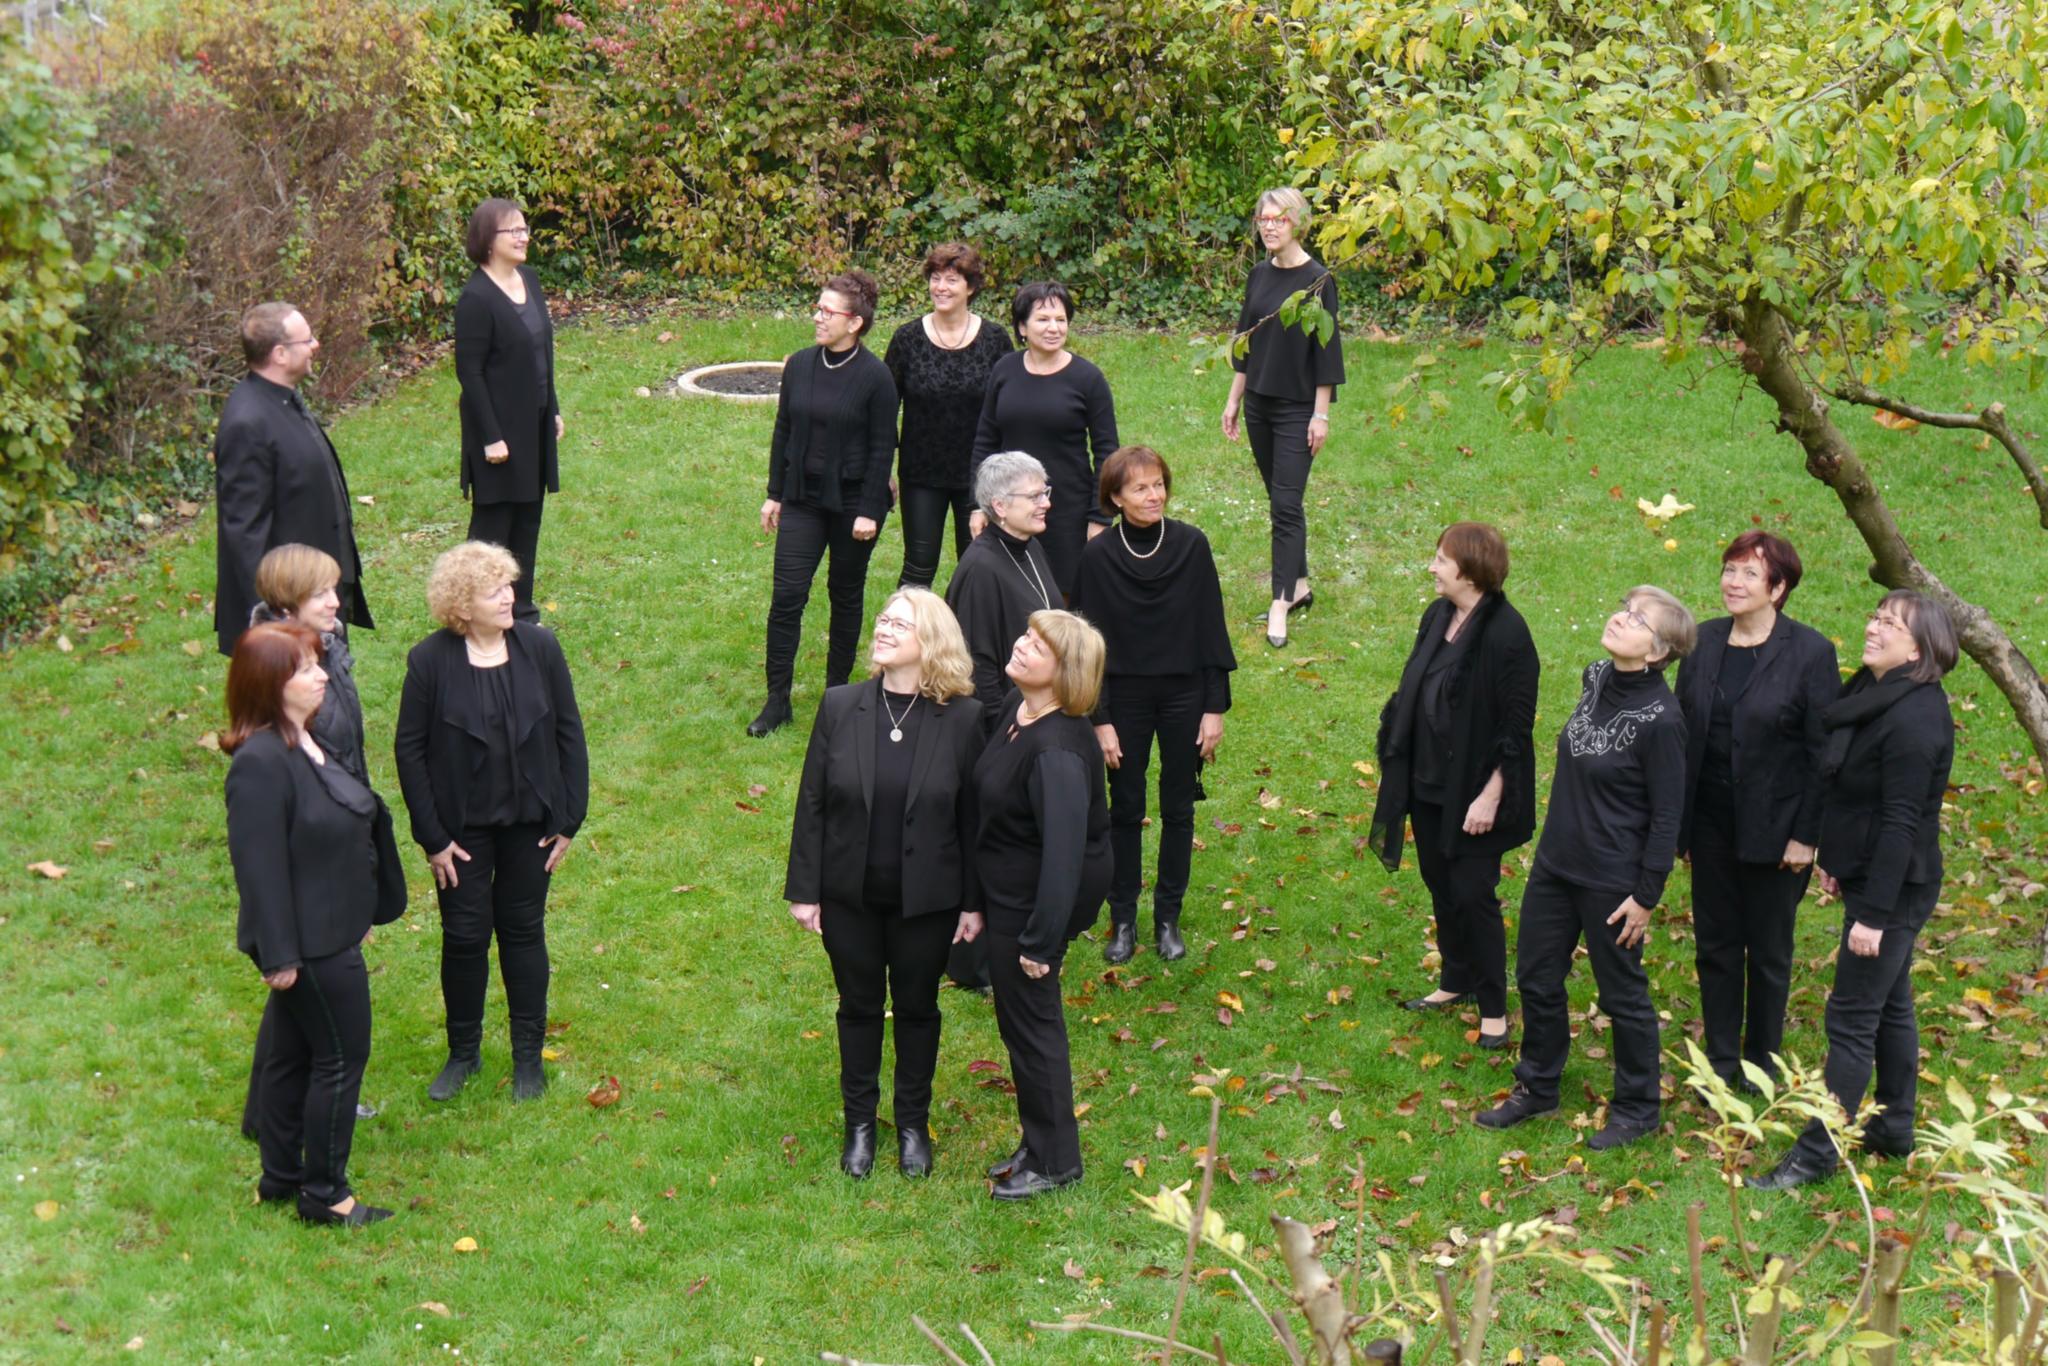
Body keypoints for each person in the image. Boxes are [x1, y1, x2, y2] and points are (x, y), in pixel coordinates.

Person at [1749, 591, 1958, 1190]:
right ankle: (1893, 1126)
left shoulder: (1916, 719)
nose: (1873, 627)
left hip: (1893, 889)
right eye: (1874, 616)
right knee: (1889, 1004)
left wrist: (1872, 915)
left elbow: (1899, 821)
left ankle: (1817, 1154)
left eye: (1889, 624)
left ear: (1919, 648)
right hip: (1873, 876)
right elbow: (1848, 787)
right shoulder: (1871, 693)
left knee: (1851, 1017)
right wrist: (1837, 856)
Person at [1478, 587, 1696, 1150]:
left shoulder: (1663, 720)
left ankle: (1637, 1109)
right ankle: (1539, 1086)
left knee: (1622, 996)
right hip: (1556, 864)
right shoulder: (1597, 676)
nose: (1619, 616)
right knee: (1537, 976)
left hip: (1612, 880)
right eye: (1623, 607)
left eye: (1636, 618)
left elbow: (1669, 815)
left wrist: (1646, 896)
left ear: (1658, 651)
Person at [784, 589, 986, 1179]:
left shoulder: (965, 718)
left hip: (929, 901)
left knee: (919, 1007)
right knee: (859, 1006)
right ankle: (861, 1126)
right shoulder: (842, 705)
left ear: (932, 640)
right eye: (882, 620)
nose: (883, 629)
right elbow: (813, 802)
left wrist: (973, 903)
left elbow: (974, 819)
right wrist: (805, 889)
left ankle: (914, 1125)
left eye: (900, 623)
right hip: (850, 896)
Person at [393, 542, 589, 1102]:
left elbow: (569, 734)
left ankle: (529, 1058)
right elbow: (410, 752)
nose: (509, 597)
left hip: (532, 825)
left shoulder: (541, 648)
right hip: (462, 834)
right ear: (461, 605)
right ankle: (464, 1054)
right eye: (494, 590)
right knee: (464, 937)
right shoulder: (429, 661)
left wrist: (570, 818)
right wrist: (433, 838)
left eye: (509, 585)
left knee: (524, 933)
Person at [224, 621, 403, 1225]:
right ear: (271, 684)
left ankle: (280, 1177)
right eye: (305, 668)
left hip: (331, 927)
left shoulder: (306, 738)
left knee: (291, 1056)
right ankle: (326, 1194)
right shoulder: (261, 763)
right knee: (340, 1058)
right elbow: (259, 868)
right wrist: (280, 956)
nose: (322, 675)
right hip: (311, 943)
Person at [1674, 532, 1839, 1090]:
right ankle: (1720, 1063)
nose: (1733, 582)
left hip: (1777, 830)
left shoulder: (1810, 652)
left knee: (1767, 951)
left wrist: (1806, 837)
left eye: (1748, 574)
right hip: (1710, 823)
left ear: (1779, 587)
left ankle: (1760, 1063)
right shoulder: (1701, 641)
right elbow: (1682, 731)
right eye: (1729, 570)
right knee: (1716, 945)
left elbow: (1824, 755)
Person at [1367, 523, 1538, 1048]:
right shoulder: (1438, 615)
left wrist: (1490, 795)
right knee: (1440, 882)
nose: (1432, 567)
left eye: (1440, 560)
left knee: (1472, 892)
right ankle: (1455, 980)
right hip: (1428, 781)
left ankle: (1493, 1008)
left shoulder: (1508, 634)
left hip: (1474, 791)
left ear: (1468, 570)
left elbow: (1516, 729)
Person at [1071, 446, 1235, 966]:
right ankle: (1123, 919)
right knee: (1126, 807)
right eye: (1140, 487)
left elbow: (1212, 627)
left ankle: (1168, 916)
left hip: (1185, 692)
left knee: (1179, 807)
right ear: (1115, 498)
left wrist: (1214, 708)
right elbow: (1087, 647)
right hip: (1124, 698)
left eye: (1159, 483)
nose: (1154, 494)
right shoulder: (1097, 557)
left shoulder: (1191, 545)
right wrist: (1101, 719)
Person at [239, 544, 374, 1143]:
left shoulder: (327, 645)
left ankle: (266, 1117)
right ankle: (302, 1138)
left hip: (339, 817)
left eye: (335, 589)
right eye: (321, 593)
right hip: (314, 845)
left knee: (295, 1004)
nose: (334, 601)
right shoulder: (279, 667)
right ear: (288, 600)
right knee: (306, 990)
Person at [976, 611, 1112, 1201]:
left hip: (1030, 911)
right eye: (1026, 636)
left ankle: (1058, 1161)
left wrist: (1041, 942)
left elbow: (1064, 857)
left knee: (1035, 1032)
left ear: (1066, 674)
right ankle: (1038, 1143)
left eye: (1038, 646)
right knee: (1019, 1027)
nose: (1021, 646)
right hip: (1008, 899)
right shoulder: (1020, 709)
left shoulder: (1057, 750)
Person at [751, 269, 898, 737]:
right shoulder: (799, 365)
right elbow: (784, 430)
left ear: (854, 322)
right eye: (818, 308)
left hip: (854, 503)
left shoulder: (876, 377)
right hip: (802, 499)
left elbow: (882, 448)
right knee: (787, 596)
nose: (818, 317)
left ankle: (837, 696)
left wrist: (870, 510)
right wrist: (774, 493)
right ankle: (777, 701)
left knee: (845, 593)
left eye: (827, 311)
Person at [1219, 187, 1344, 650]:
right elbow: (1245, 341)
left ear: (1299, 224)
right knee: (1282, 497)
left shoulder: (1318, 280)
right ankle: (1302, 583)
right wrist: (1234, 400)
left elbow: (1326, 351)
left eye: (1279, 219)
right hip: (1259, 406)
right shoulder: (1257, 275)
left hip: (1296, 409)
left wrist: (1320, 415)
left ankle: (1280, 601)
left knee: (1284, 506)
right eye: (1263, 220)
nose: (1269, 227)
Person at [213, 301, 373, 657]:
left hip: (313, 595)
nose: (316, 344)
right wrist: (274, 618)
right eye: (308, 340)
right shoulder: (248, 422)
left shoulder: (281, 400)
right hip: (290, 611)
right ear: (280, 354)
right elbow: (245, 533)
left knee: (333, 701)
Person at [969, 281, 1118, 600]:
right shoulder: (1004, 370)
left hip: (1068, 510)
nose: (1054, 328)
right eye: (1043, 319)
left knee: (1065, 599)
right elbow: (985, 440)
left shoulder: (1088, 379)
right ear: (1022, 327)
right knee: (1011, 592)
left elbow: (1107, 452)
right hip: (1009, 506)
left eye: (1061, 320)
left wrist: (1099, 518)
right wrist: (980, 505)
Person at [455, 198, 564, 625]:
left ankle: (521, 613)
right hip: (498, 434)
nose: (524, 237)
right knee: (492, 530)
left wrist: (551, 408)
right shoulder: (476, 299)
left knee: (527, 522)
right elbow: (470, 371)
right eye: (513, 231)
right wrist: (490, 436)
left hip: (532, 423)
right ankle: (468, 613)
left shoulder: (530, 280)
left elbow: (542, 352)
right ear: (487, 240)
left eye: (524, 229)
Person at [885, 243, 1012, 589]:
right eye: (936, 278)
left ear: (970, 287)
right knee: (918, 567)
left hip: (979, 474)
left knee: (978, 568)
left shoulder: (996, 340)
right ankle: (905, 638)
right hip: (921, 473)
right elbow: (884, 409)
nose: (940, 287)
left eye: (952, 279)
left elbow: (1009, 410)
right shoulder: (907, 339)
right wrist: (883, 469)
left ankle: (974, 641)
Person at [947, 452, 1062, 735]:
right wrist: (1005, 728)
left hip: (1042, 709)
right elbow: (977, 663)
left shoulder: (1030, 546)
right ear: (999, 505)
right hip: (1010, 726)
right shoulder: (980, 569)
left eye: (1045, 493)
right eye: (1034, 497)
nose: (1046, 503)